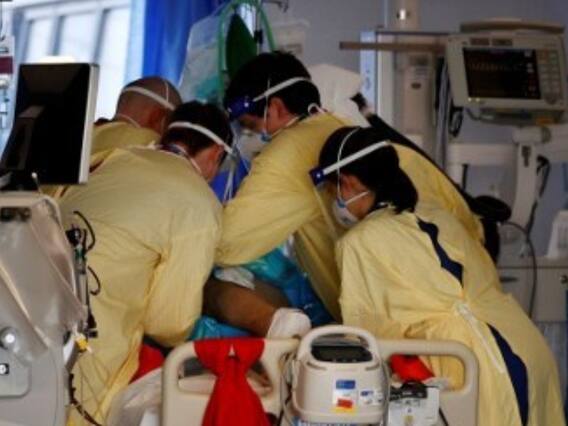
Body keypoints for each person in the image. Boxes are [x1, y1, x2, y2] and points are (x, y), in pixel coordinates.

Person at [315, 126, 564, 426]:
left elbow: (367, 336)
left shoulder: (359, 242)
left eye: (332, 191)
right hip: (524, 346)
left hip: (467, 366)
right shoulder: (439, 216)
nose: (334, 201)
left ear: (349, 182)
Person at [216, 51, 484, 320]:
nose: (248, 139)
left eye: (250, 127)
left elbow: (226, 243)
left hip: (411, 326)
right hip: (478, 310)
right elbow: (470, 228)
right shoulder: (351, 132)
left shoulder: (289, 154)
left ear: (276, 108)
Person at [60, 101, 233, 423]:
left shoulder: (111, 159)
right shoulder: (198, 202)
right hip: (93, 333)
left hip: (29, 301)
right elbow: (168, 322)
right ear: (216, 153)